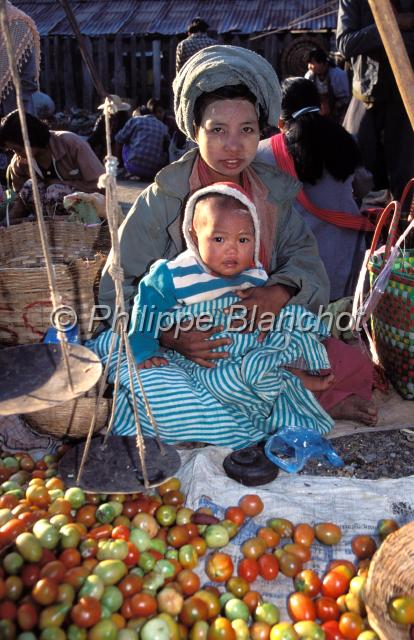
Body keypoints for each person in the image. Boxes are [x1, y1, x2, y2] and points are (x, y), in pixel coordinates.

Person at [93, 45, 376, 452]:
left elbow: (307, 263)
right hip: (190, 344)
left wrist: (278, 294)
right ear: (195, 129)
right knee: (144, 384)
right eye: (217, 130)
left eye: (246, 130)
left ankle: (292, 399)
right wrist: (171, 335)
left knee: (351, 362)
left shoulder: (271, 193)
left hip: (254, 336)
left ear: (262, 132)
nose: (233, 145)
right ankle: (298, 403)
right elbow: (114, 292)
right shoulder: (163, 200)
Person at [126, 182, 335, 445]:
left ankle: (287, 378)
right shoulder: (175, 274)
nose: (232, 249)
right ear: (194, 234)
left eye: (243, 239)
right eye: (219, 239)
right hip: (203, 356)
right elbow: (147, 309)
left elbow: (264, 322)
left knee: (291, 324)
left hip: (244, 350)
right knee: (194, 386)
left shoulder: (254, 274)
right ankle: (277, 389)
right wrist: (144, 347)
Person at [257, 77, 373, 301]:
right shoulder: (346, 140)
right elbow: (364, 186)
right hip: (345, 264)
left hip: (292, 272)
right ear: (321, 106)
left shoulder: (262, 153)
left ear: (280, 119)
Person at [337, 0, 414, 200]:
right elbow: (345, 43)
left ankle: (403, 225)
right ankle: (360, 226)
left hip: (406, 99)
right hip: (364, 95)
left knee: (406, 178)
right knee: (353, 171)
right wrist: (390, 24)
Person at [0, 110, 104, 220]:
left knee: (54, 191)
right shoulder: (19, 162)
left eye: (18, 149)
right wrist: (7, 222)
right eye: (13, 150)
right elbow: (20, 198)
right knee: (29, 188)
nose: (17, 154)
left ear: (30, 138)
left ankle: (70, 229)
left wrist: (61, 184)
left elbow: (102, 186)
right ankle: (48, 228)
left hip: (87, 212)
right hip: (48, 218)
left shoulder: (71, 144)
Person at [0, 1, 40, 117]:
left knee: (19, 131)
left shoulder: (15, 23)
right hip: (10, 103)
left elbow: (4, 71)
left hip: (17, 103)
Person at [114, 99, 170, 181]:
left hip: (133, 167)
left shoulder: (135, 120)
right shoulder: (164, 127)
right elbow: (168, 147)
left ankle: (119, 167)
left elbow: (118, 139)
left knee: (124, 141)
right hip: (153, 171)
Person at [305, 48, 350, 122]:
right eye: (308, 63)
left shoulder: (338, 75)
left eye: (312, 63)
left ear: (322, 63)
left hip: (338, 114)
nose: (309, 67)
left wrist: (332, 106)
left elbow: (346, 98)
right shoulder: (309, 76)